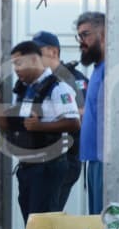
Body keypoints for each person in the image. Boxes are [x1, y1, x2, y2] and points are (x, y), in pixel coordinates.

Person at [0, 40, 80, 225]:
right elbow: (11, 126)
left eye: (18, 63)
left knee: (43, 226)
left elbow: (74, 123)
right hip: (28, 168)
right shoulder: (25, 90)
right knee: (31, 224)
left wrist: (40, 127)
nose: (15, 69)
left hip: (48, 167)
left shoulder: (58, 88)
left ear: (33, 60)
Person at [31, 30, 83, 210]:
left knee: (48, 216)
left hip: (65, 158)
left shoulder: (72, 79)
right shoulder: (37, 81)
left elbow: (82, 114)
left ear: (53, 52)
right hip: (40, 160)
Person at [76, 12, 106, 215]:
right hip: (92, 158)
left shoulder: (108, 69)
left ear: (103, 34)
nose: (81, 42)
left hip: (105, 160)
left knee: (102, 220)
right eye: (79, 36)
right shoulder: (97, 69)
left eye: (86, 35)